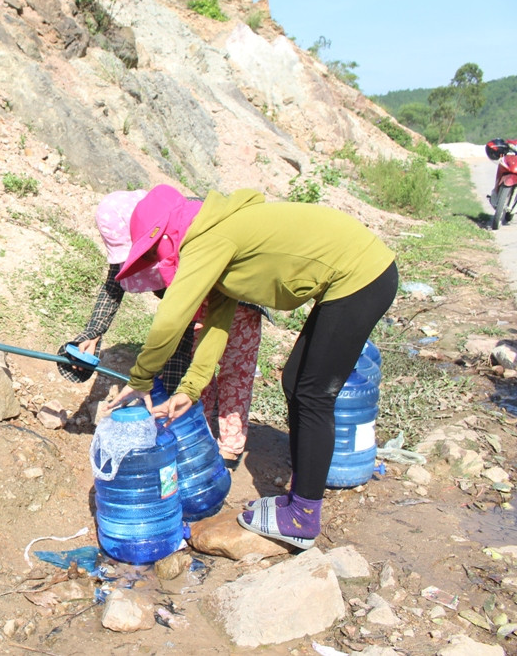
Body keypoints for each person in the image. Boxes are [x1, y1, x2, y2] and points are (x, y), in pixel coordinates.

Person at [107, 184, 397, 550]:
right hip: (356, 273)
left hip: (361, 275)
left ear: (166, 236)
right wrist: (190, 388)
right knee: (296, 381)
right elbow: (217, 323)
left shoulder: (208, 238)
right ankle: (298, 503)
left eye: (153, 254)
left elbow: (172, 317)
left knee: (313, 393)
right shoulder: (216, 238)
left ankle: (302, 515)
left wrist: (142, 378)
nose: (155, 263)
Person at [59, 189, 265, 469]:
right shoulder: (145, 236)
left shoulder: (185, 230)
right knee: (195, 375)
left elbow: (177, 320)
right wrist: (93, 332)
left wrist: (159, 381)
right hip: (194, 308)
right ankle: (196, 439)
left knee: (234, 372)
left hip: (238, 299)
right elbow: (114, 284)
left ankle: (228, 450)